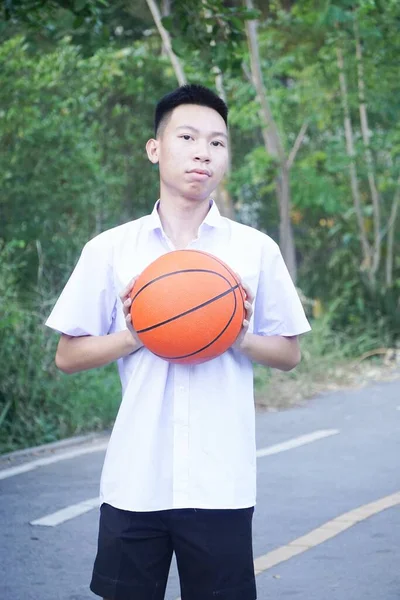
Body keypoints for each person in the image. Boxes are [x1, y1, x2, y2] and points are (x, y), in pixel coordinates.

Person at [46, 84, 311, 600]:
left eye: (217, 143)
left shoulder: (254, 250)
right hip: (134, 480)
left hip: (222, 484)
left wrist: (238, 337)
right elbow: (68, 356)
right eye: (187, 137)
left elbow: (289, 354)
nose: (203, 152)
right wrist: (137, 335)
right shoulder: (111, 249)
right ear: (155, 149)